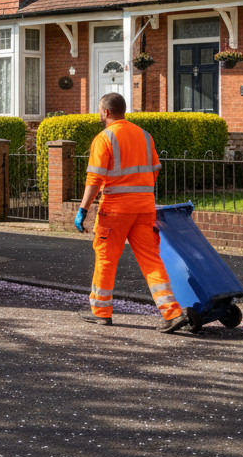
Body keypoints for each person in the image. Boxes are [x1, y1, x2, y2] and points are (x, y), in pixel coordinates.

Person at [75, 93, 189, 333]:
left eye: (99, 110)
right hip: (145, 205)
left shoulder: (104, 138)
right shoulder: (144, 136)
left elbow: (94, 179)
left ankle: (101, 312)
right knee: (151, 259)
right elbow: (154, 170)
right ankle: (172, 313)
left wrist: (83, 209)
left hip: (116, 208)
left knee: (106, 257)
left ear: (106, 112)